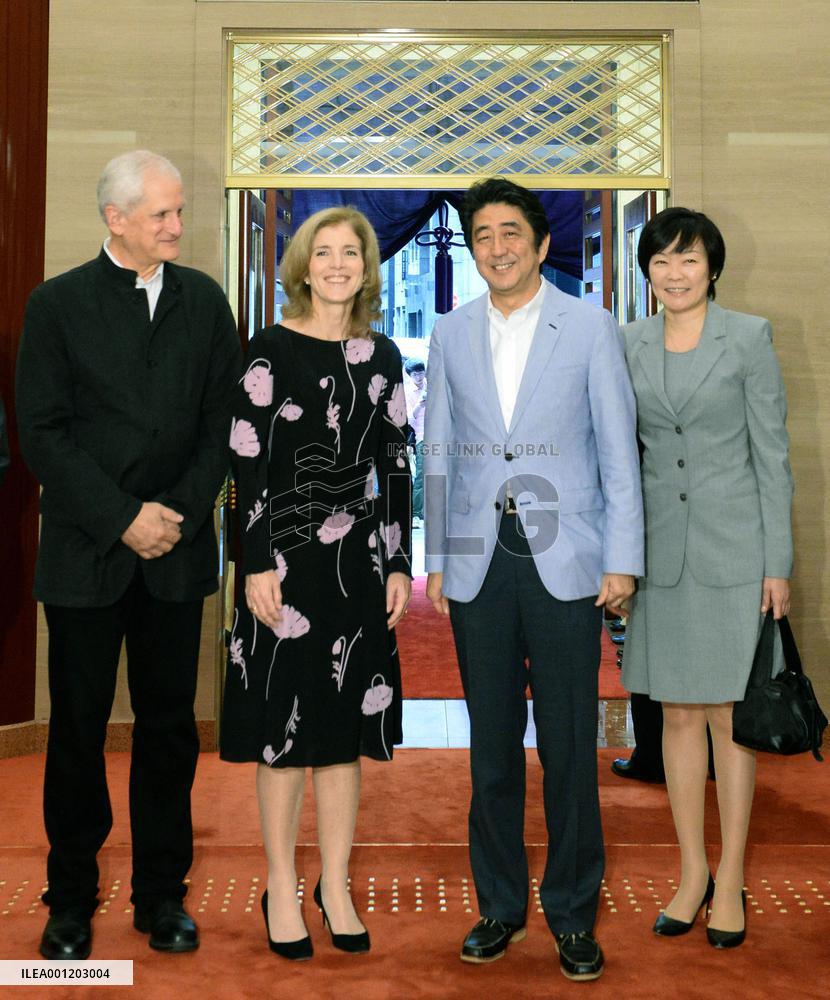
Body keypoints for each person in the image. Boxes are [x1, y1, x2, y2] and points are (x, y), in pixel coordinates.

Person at [15, 150, 241, 960]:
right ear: (116, 218)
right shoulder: (57, 304)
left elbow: (223, 423)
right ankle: (71, 900)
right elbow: (42, 431)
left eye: (178, 211)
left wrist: (174, 515)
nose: (178, 225)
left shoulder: (204, 302)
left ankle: (160, 896)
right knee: (77, 731)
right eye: (162, 214)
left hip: (175, 552)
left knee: (169, 730)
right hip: (85, 555)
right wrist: (122, 519)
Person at [424, 178, 643, 982]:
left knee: (568, 745)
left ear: (542, 243)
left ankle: (573, 914)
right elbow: (439, 446)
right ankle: (500, 905)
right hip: (480, 558)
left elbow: (617, 446)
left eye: (510, 232)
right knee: (490, 746)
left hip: (567, 555)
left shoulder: (588, 326)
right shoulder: (450, 332)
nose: (497, 247)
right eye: (482, 235)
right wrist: (438, 557)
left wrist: (622, 557)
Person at [220, 207, 411, 961]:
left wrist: (398, 561)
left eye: (350, 253)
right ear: (302, 267)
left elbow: (397, 463)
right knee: (283, 733)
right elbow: (245, 465)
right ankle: (281, 883)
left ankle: (335, 885)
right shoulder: (268, 350)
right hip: (282, 565)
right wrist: (253, 562)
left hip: (356, 566)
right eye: (323, 252)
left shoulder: (383, 354)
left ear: (366, 267)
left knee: (340, 734)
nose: (337, 264)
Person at [622, 207, 793, 949]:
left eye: (688, 259)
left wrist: (778, 564)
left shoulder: (748, 337)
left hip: (735, 553)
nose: (675, 273)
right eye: (661, 261)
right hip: (662, 553)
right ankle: (691, 872)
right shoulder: (628, 342)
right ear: (647, 272)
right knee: (677, 717)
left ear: (712, 267)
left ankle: (730, 878)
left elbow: (772, 457)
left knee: (729, 717)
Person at [403, 357, 427, 522]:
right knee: (421, 474)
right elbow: (408, 420)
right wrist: (420, 404)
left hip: (440, 434)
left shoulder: (433, 386)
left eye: (421, 373)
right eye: (415, 374)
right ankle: (417, 511)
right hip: (422, 437)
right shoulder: (407, 392)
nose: (419, 377)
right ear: (410, 375)